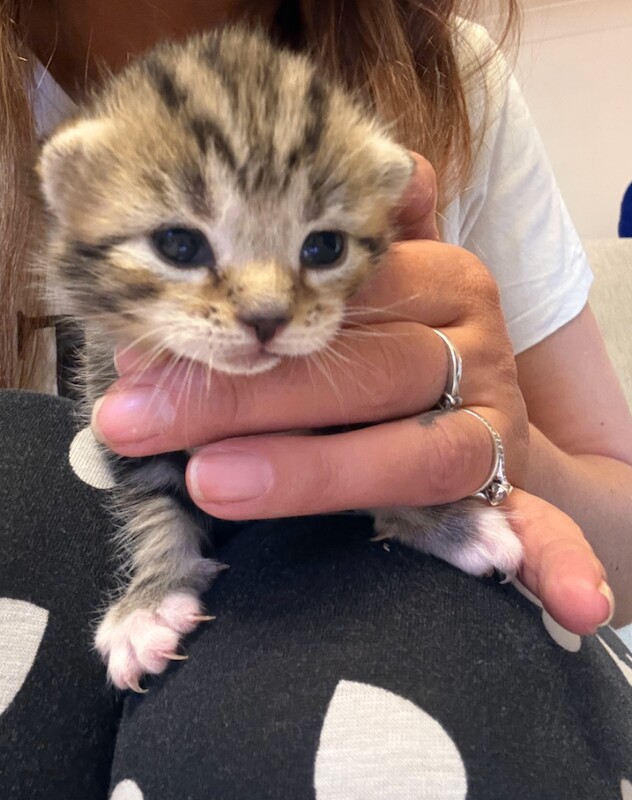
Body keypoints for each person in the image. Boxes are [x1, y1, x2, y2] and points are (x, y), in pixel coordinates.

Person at [0, 1, 631, 798]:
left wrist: (483, 458)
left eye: (320, 247)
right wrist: (160, 573)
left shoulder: (448, 70)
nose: (264, 307)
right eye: (184, 244)